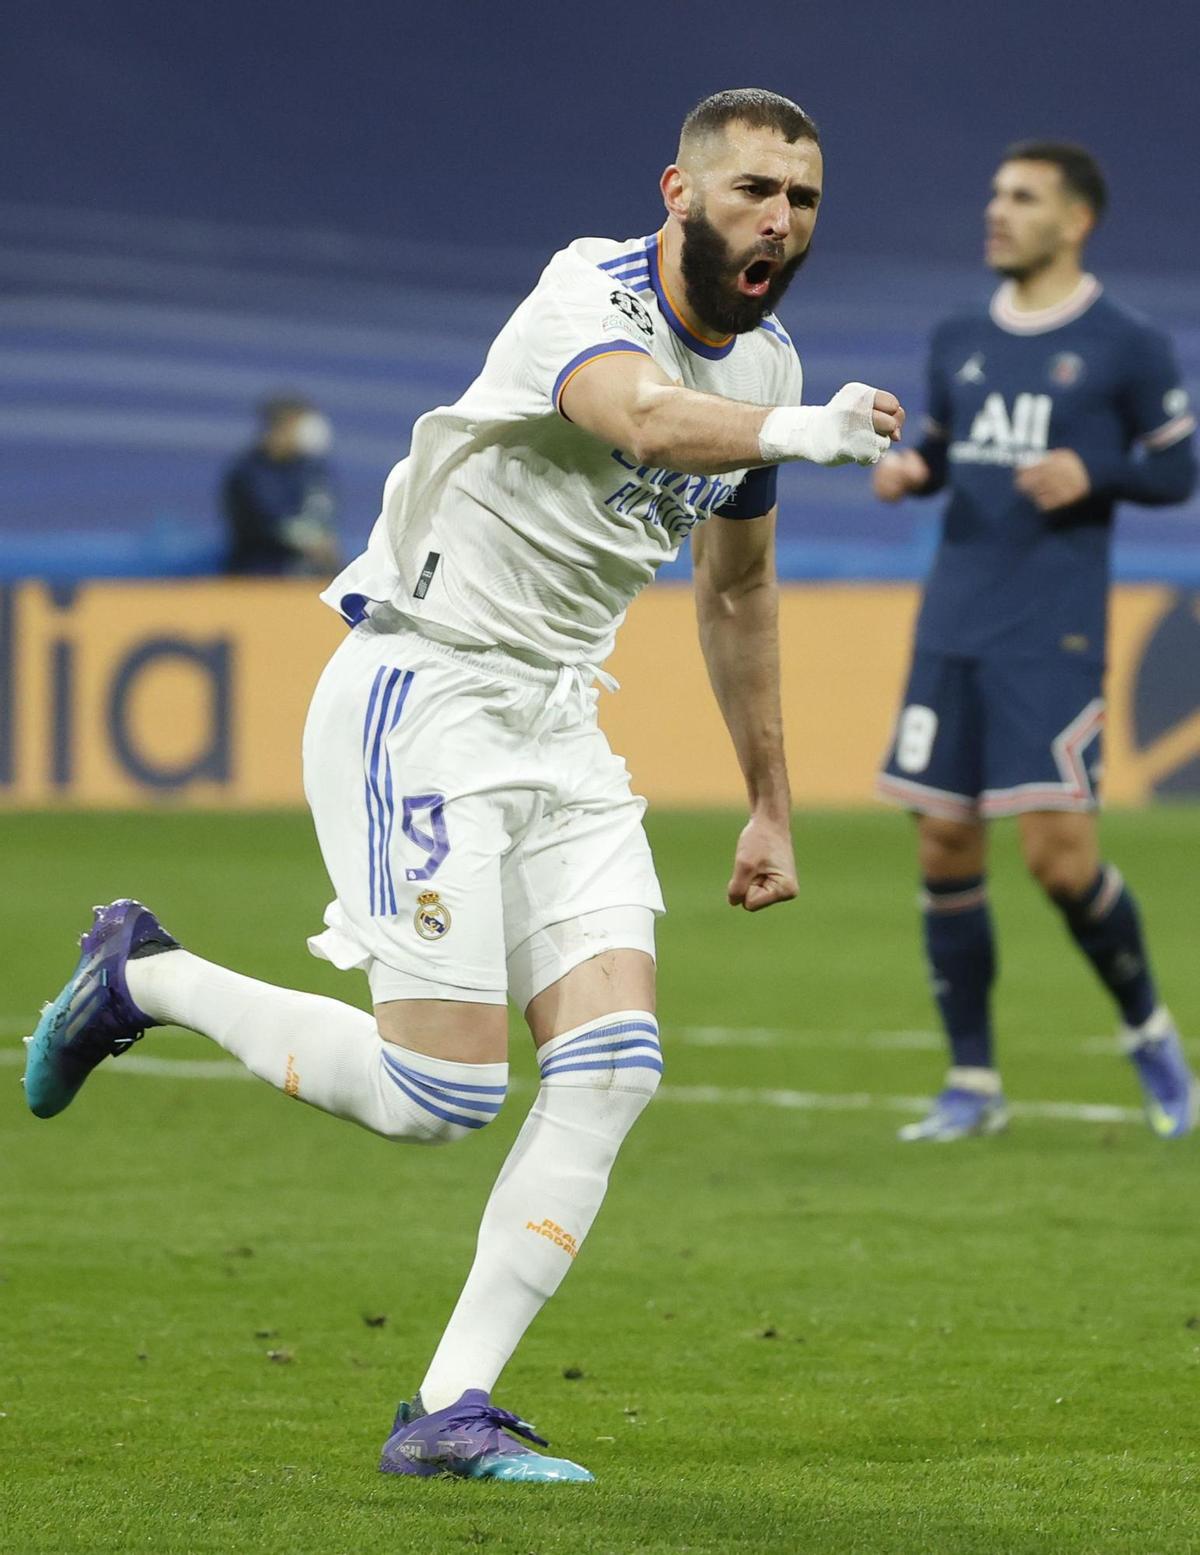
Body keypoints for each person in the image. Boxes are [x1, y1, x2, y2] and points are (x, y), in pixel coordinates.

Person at [25, 89, 903, 1482]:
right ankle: (141, 976)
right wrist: (803, 439)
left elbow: (736, 596)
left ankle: (449, 1405)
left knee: (615, 1065)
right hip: (423, 690)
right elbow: (645, 420)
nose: (777, 220)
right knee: (438, 1091)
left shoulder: (773, 370)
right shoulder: (585, 293)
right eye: (750, 190)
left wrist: (771, 796)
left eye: (800, 197)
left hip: (560, 722)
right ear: (678, 190)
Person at [873, 141, 1197, 1142]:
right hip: (952, 625)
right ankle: (972, 1082)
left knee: (1060, 860)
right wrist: (909, 471)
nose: (998, 212)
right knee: (943, 844)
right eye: (995, 194)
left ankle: (1148, 1033)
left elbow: (1176, 470)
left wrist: (1092, 474)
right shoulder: (960, 336)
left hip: (1050, 634)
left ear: (1076, 219)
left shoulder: (1125, 343)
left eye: (1022, 198)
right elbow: (941, 445)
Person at [223, 395, 339, 576]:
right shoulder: (250, 472)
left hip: (308, 574)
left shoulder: (311, 469)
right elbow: (270, 521)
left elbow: (321, 512)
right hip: (259, 573)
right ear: (280, 428)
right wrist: (309, 541)